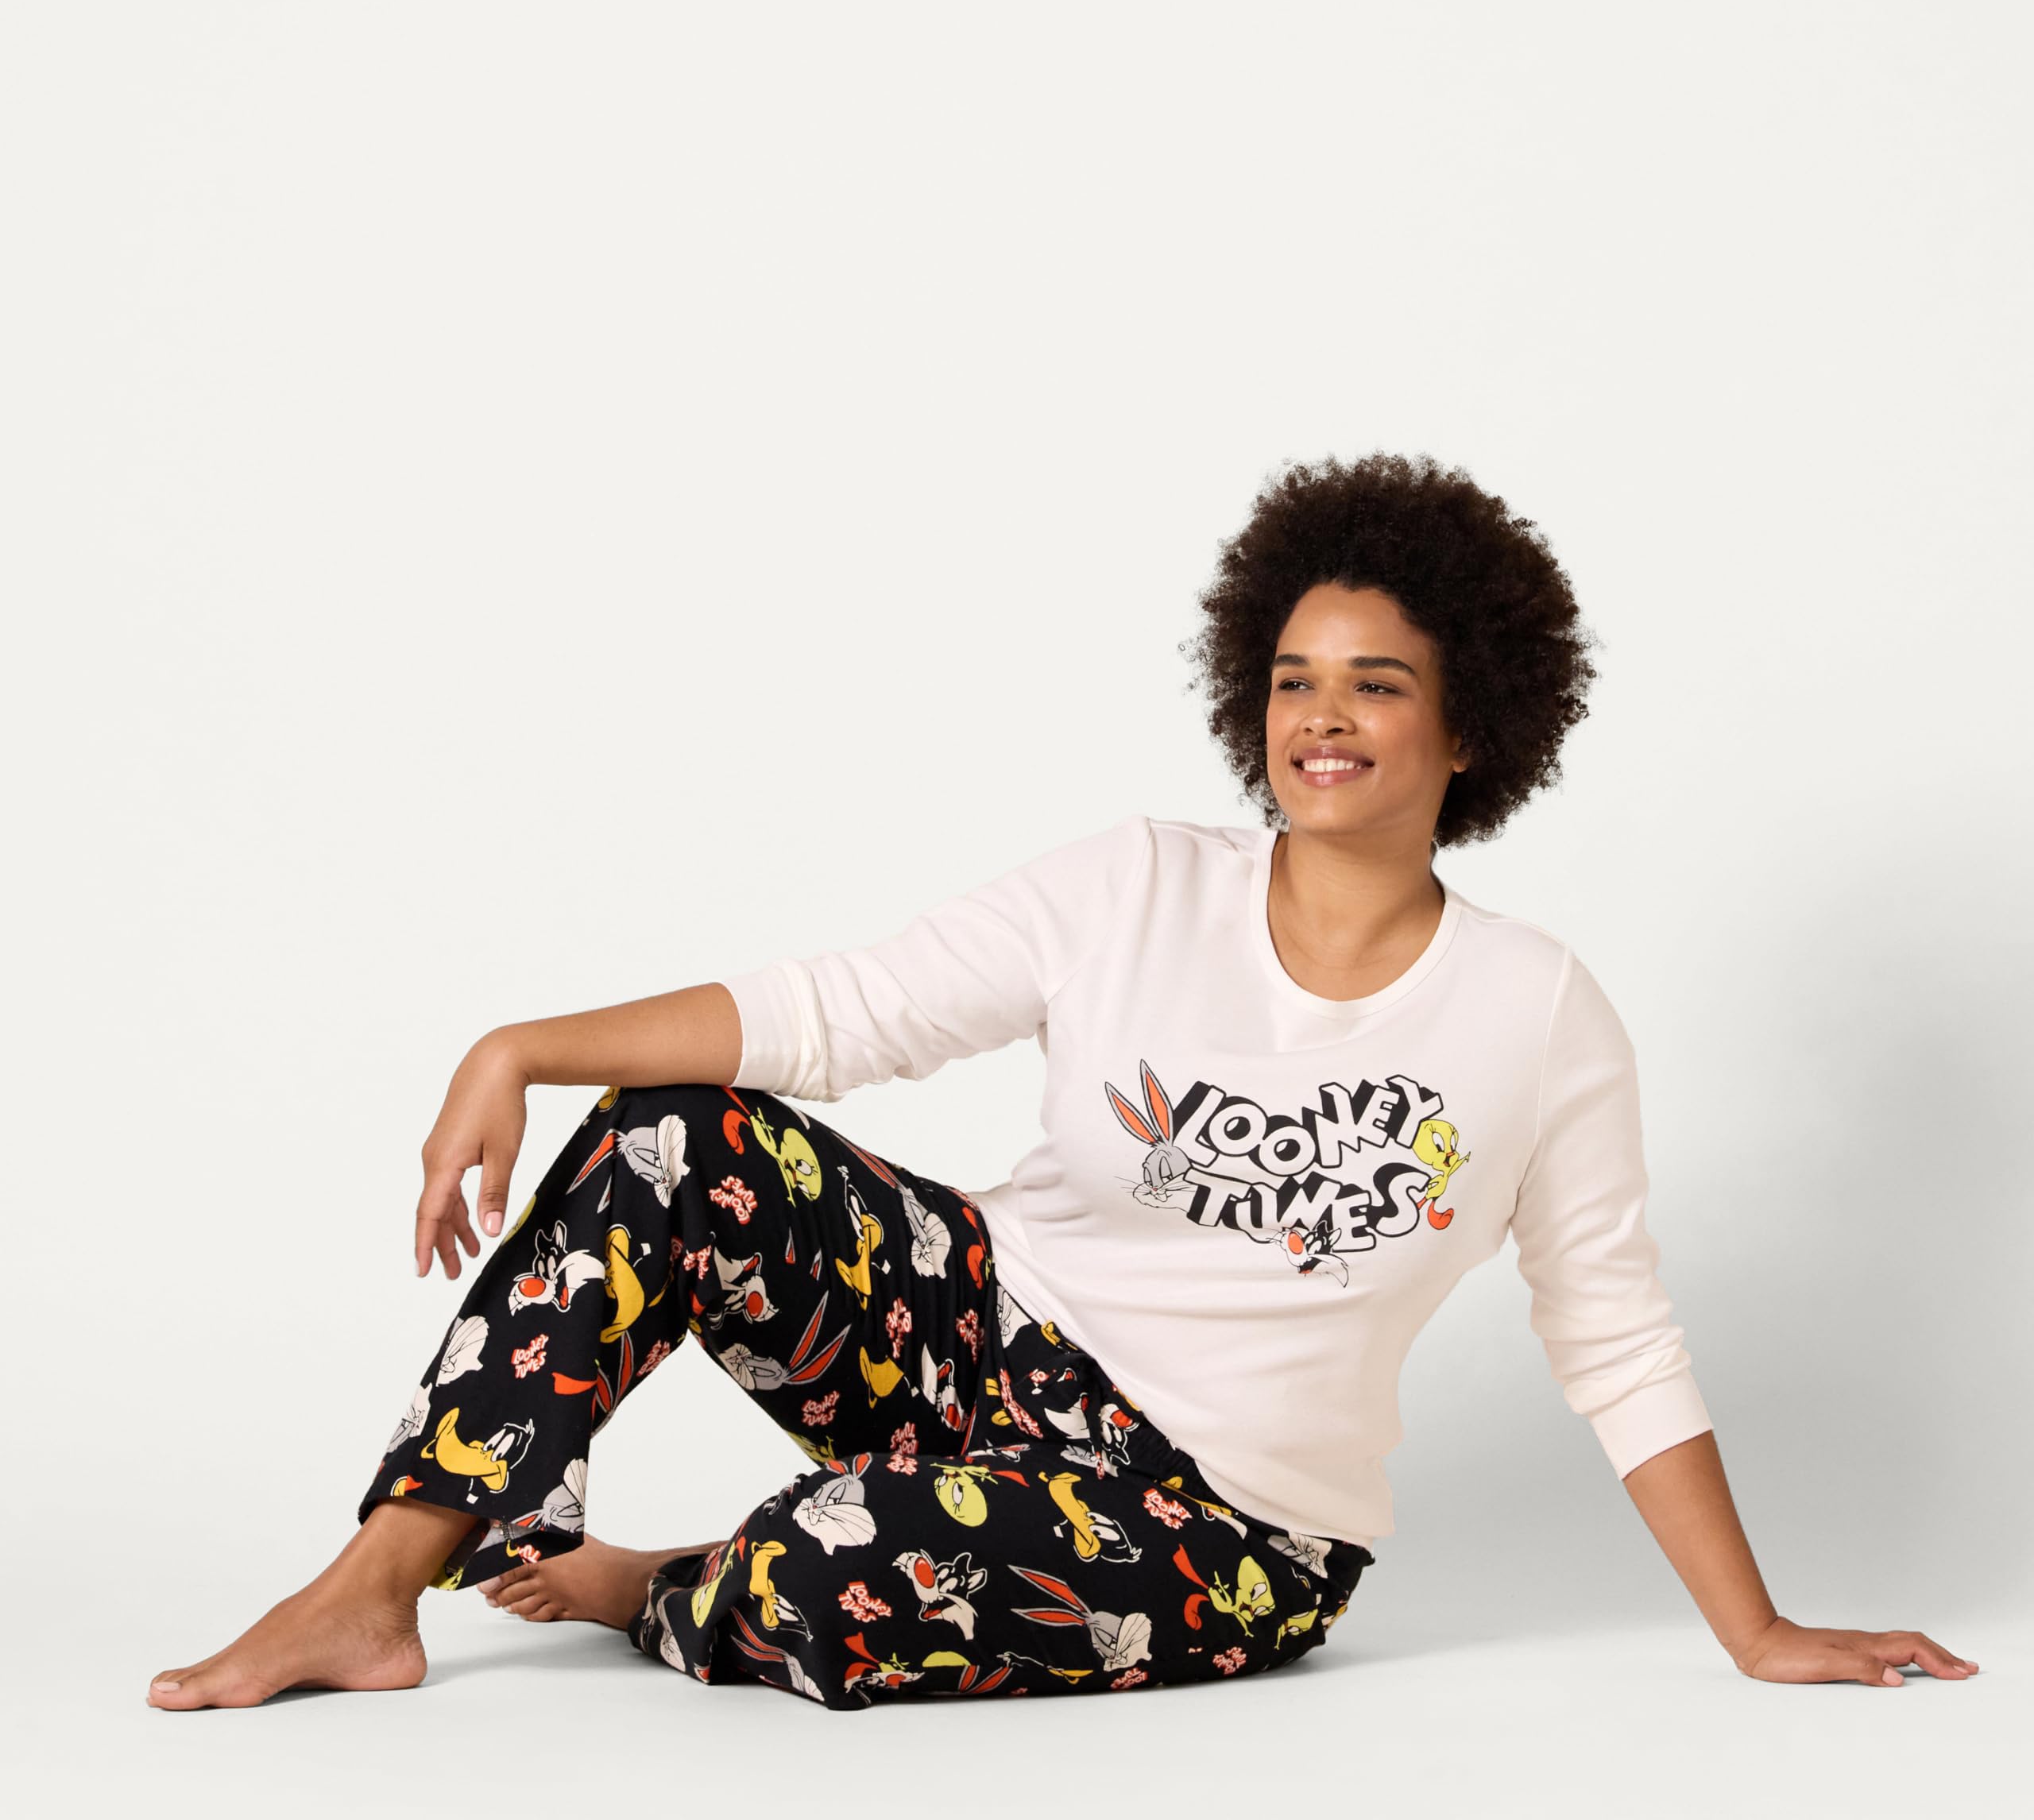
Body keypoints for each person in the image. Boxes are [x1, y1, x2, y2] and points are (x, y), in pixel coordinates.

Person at [146, 451, 1978, 1710]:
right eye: (1291, 678)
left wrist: (1753, 1630)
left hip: (1224, 1523)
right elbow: (840, 1010)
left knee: (832, 1573)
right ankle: (373, 1587)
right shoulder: (1137, 884)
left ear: (1468, 721)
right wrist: (520, 1044)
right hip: (980, 1343)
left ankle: (662, 1581)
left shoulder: (1534, 1011)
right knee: (670, 1146)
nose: (1319, 716)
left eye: (1373, 683)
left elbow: (1613, 1333)